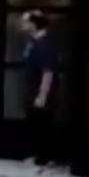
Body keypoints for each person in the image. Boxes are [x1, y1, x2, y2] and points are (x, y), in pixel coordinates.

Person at [21, 10, 60, 168]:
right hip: (32, 89)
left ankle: (44, 158)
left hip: (41, 91)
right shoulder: (34, 41)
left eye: (25, 22)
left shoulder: (45, 44)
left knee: (42, 125)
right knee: (35, 124)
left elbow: (48, 72)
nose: (22, 26)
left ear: (33, 24)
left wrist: (42, 95)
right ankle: (38, 155)